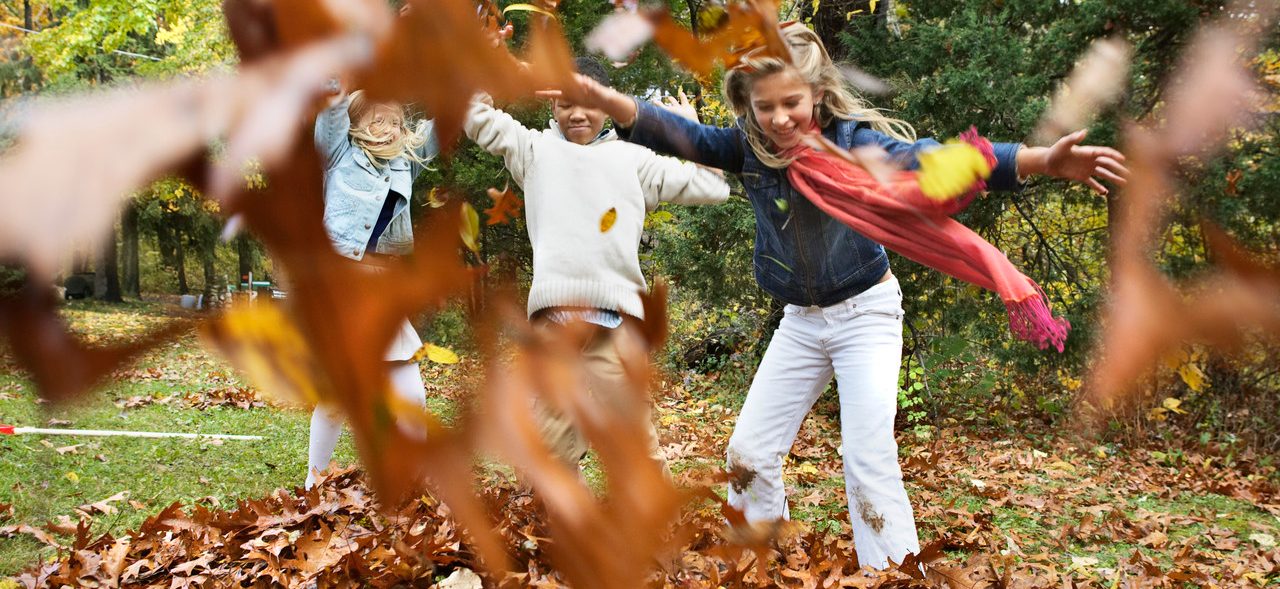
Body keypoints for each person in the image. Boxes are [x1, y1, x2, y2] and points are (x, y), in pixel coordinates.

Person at [555, 24, 1129, 568]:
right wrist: (608, 100)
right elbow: (680, 135)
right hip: (801, 322)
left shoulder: (855, 146)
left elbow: (937, 159)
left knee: (867, 456)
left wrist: (1038, 161)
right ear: (748, 107)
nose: (780, 119)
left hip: (866, 315)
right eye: (766, 107)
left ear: (818, 97)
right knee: (748, 455)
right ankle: (764, 556)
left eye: (792, 103)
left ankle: (893, 572)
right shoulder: (748, 150)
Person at [464, 57, 730, 472]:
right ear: (552, 106)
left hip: (618, 324)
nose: (576, 114)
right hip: (555, 325)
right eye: (565, 103)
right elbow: (474, 115)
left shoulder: (633, 159)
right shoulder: (534, 150)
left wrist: (689, 133)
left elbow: (714, 187)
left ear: (607, 106)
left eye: (587, 102)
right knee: (551, 454)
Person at [306, 83, 440, 489]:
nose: (389, 129)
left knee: (412, 396)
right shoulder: (336, 154)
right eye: (378, 119)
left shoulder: (405, 163)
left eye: (397, 122)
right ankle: (314, 483)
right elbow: (330, 107)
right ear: (357, 122)